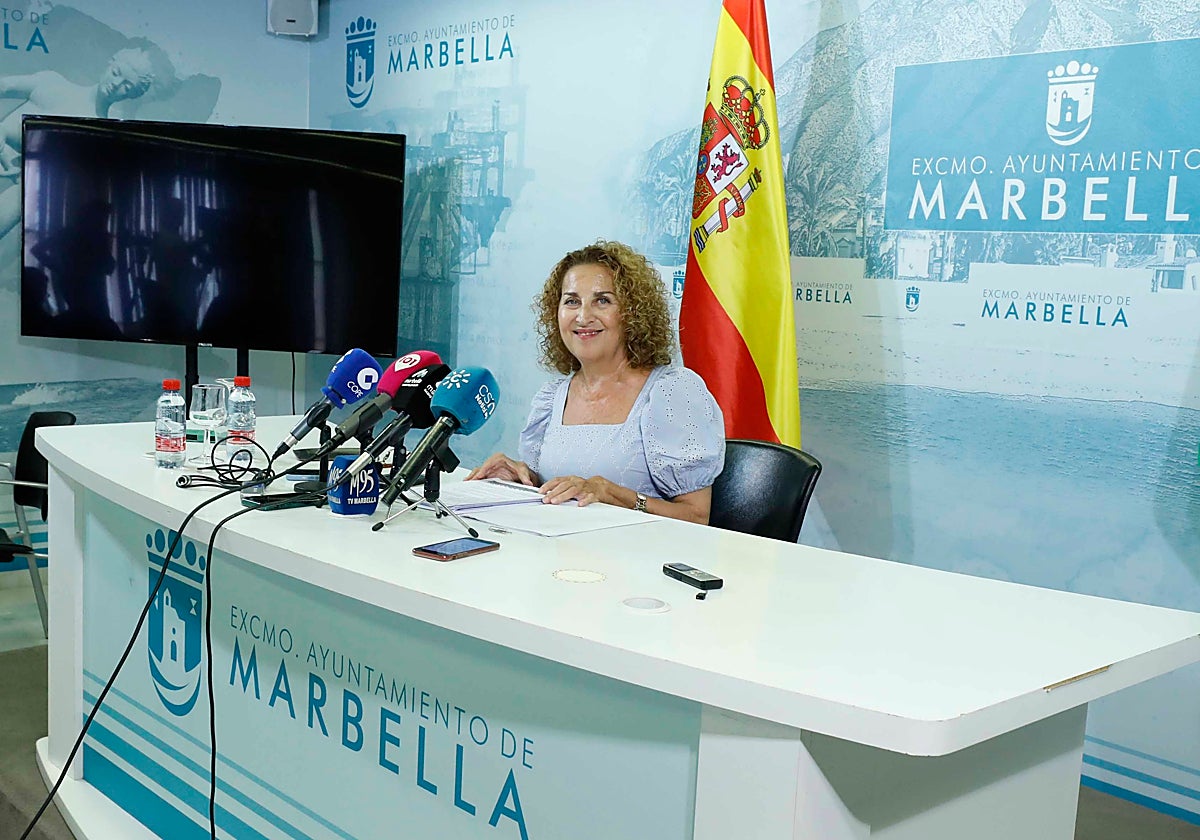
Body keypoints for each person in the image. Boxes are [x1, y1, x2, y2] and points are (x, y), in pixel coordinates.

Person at [467, 240, 725, 524]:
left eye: (602, 300)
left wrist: (611, 493)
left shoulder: (672, 393)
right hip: (557, 559)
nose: (583, 316)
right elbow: (557, 493)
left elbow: (696, 517)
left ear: (633, 313)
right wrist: (517, 477)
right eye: (572, 301)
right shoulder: (551, 398)